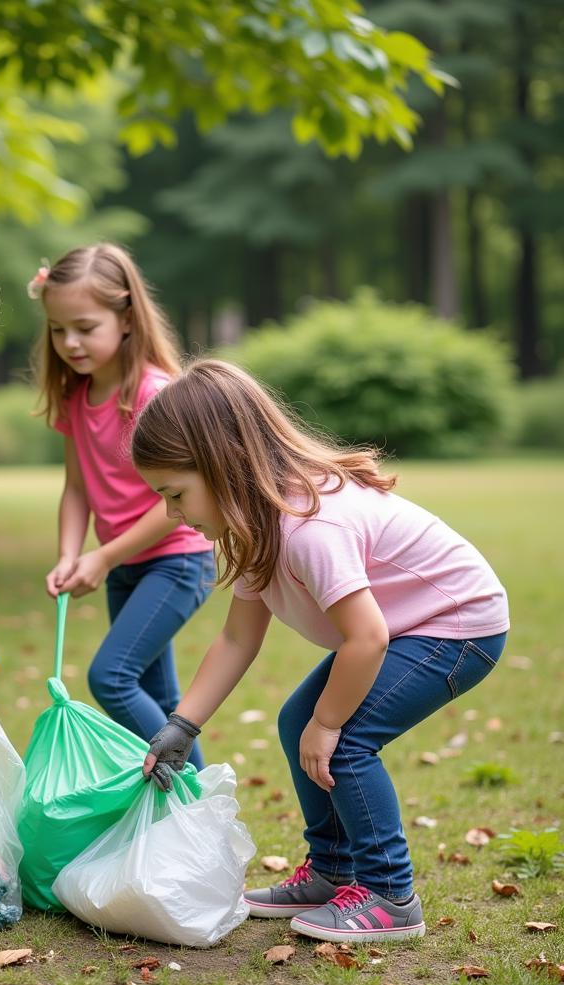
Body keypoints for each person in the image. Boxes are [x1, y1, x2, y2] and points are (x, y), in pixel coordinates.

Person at [133, 360, 509, 943]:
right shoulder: (260, 524)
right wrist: (183, 724)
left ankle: (390, 894)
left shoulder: (310, 527)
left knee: (345, 740)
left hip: (457, 626)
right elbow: (238, 638)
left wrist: (329, 723)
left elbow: (368, 637)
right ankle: (333, 872)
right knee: (296, 722)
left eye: (176, 493)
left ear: (223, 466)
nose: (170, 513)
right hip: (403, 629)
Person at [31, 245, 216, 764]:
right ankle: (184, 812)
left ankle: (193, 800)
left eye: (85, 327)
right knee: (155, 698)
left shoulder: (157, 393)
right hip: (126, 568)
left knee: (111, 677)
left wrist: (105, 556)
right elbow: (76, 488)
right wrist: (71, 554)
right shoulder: (76, 397)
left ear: (127, 319)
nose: (69, 342)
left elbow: (176, 499)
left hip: (177, 560)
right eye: (57, 328)